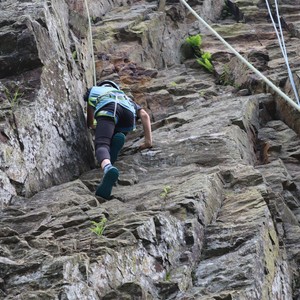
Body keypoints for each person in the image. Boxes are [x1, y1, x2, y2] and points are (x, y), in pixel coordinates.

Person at [84, 80, 152, 199]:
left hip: (109, 108)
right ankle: (117, 138)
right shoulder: (125, 97)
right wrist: (148, 142)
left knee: (102, 144)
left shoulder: (95, 91)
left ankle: (108, 167)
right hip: (128, 115)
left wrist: (96, 126)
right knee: (115, 130)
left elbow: (90, 123)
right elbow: (144, 115)